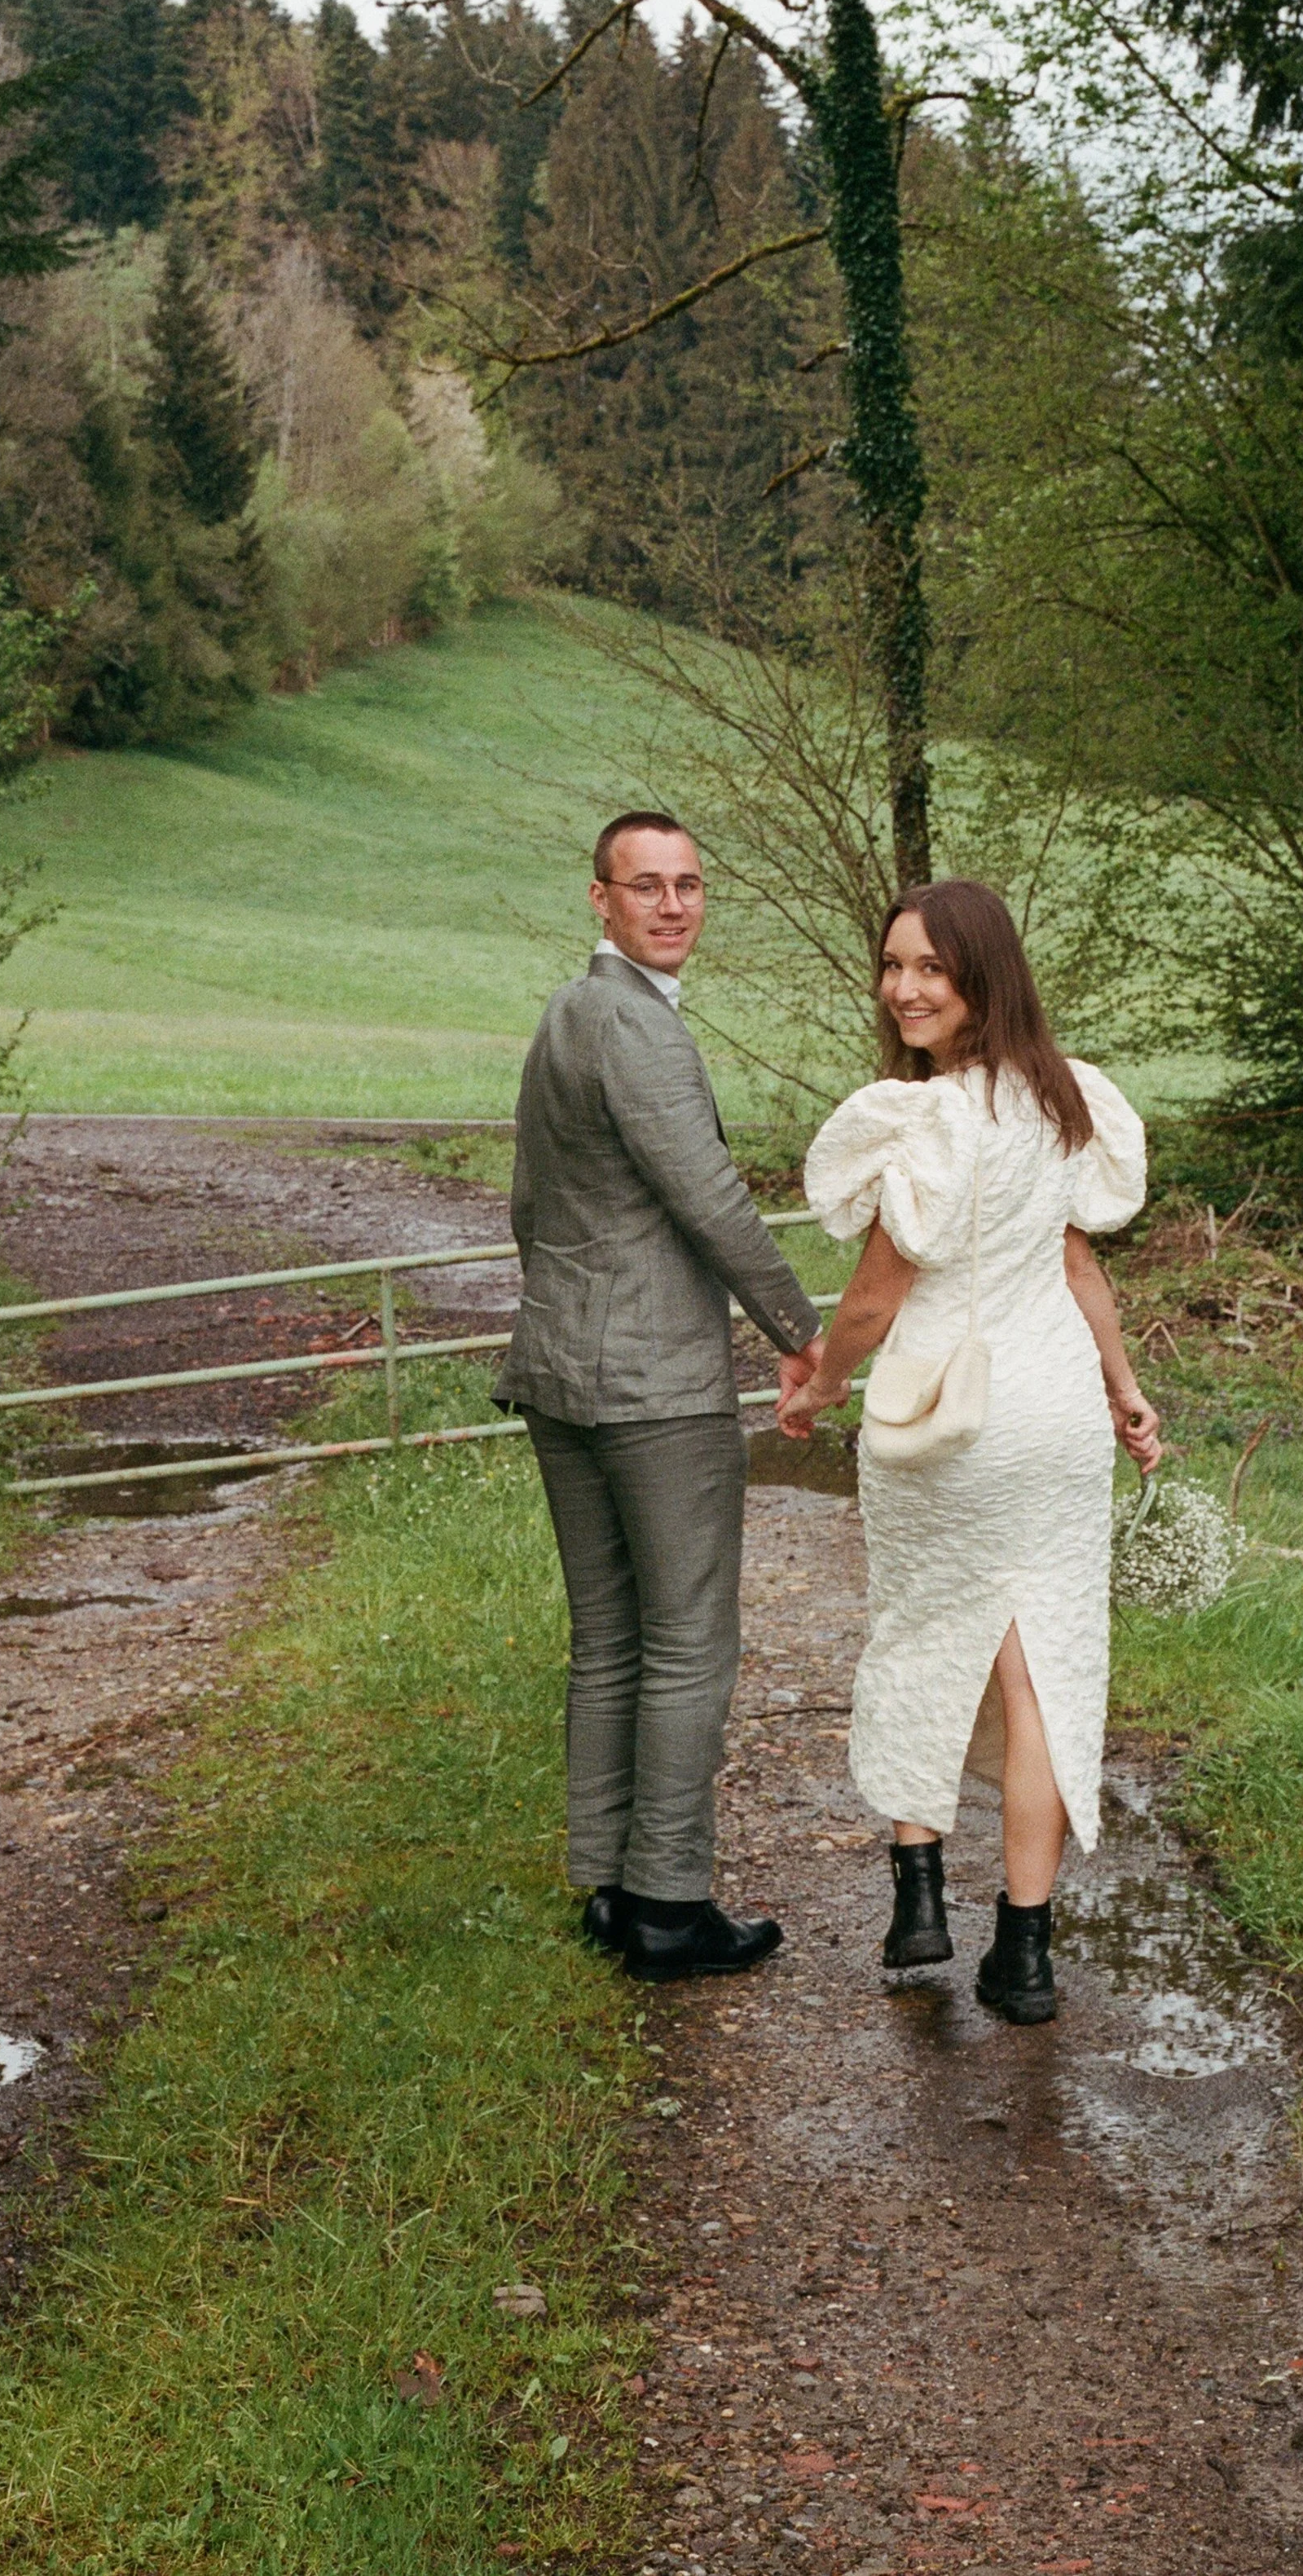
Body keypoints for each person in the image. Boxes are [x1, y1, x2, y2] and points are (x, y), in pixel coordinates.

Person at [778, 879, 1163, 2024]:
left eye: (929, 969)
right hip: (1052, 1419)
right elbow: (1079, 1268)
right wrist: (1124, 1392)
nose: (903, 987)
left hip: (951, 1415)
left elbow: (880, 1288)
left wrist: (824, 1377)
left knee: (921, 1627)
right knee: (1039, 1667)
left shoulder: (936, 1117)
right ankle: (1027, 1955)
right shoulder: (1062, 1099)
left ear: (980, 977)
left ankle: (920, 1898)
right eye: (893, 965)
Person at [494, 811, 825, 1983]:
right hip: (654, 1387)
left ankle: (608, 1889)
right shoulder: (636, 1025)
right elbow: (715, 1203)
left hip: (559, 1372)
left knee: (610, 1635)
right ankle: (670, 1904)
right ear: (600, 899)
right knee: (688, 1640)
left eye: (689, 885)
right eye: (647, 886)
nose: (673, 905)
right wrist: (805, 1333)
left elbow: (529, 1205)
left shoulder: (562, 1018)